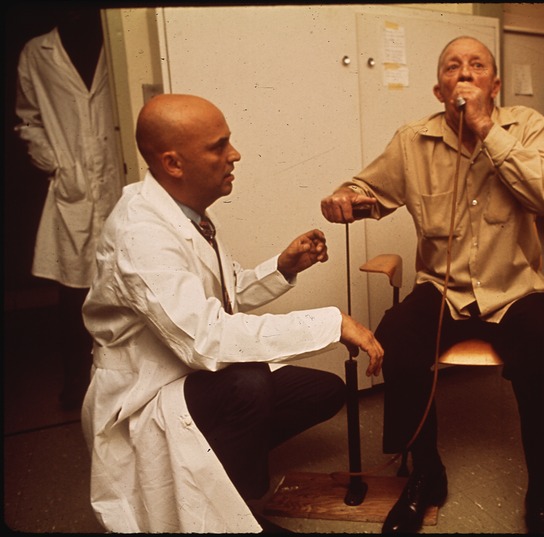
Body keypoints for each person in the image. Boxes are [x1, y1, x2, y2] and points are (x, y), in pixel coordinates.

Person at [81, 93, 384, 533]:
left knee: (323, 391)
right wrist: (331, 322)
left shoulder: (184, 214)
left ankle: (216, 467)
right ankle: (230, 515)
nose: (234, 155)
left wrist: (282, 268)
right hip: (146, 389)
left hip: (183, 368)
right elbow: (206, 338)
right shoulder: (140, 232)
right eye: (218, 146)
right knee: (248, 382)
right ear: (173, 163)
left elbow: (220, 293)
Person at [320, 36, 544, 534]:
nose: (464, 73)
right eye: (453, 67)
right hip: (443, 288)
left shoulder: (526, 127)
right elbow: (369, 189)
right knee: (398, 337)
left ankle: (542, 486)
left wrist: (484, 128)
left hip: (516, 288)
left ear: (493, 85)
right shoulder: (414, 139)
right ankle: (427, 475)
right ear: (439, 90)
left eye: (476, 66)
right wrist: (345, 197)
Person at [14, 8, 125, 410]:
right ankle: (77, 376)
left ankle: (121, 375)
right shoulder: (36, 52)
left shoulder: (118, 40)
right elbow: (28, 118)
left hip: (120, 174)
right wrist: (56, 161)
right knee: (73, 287)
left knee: (125, 278)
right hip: (71, 183)